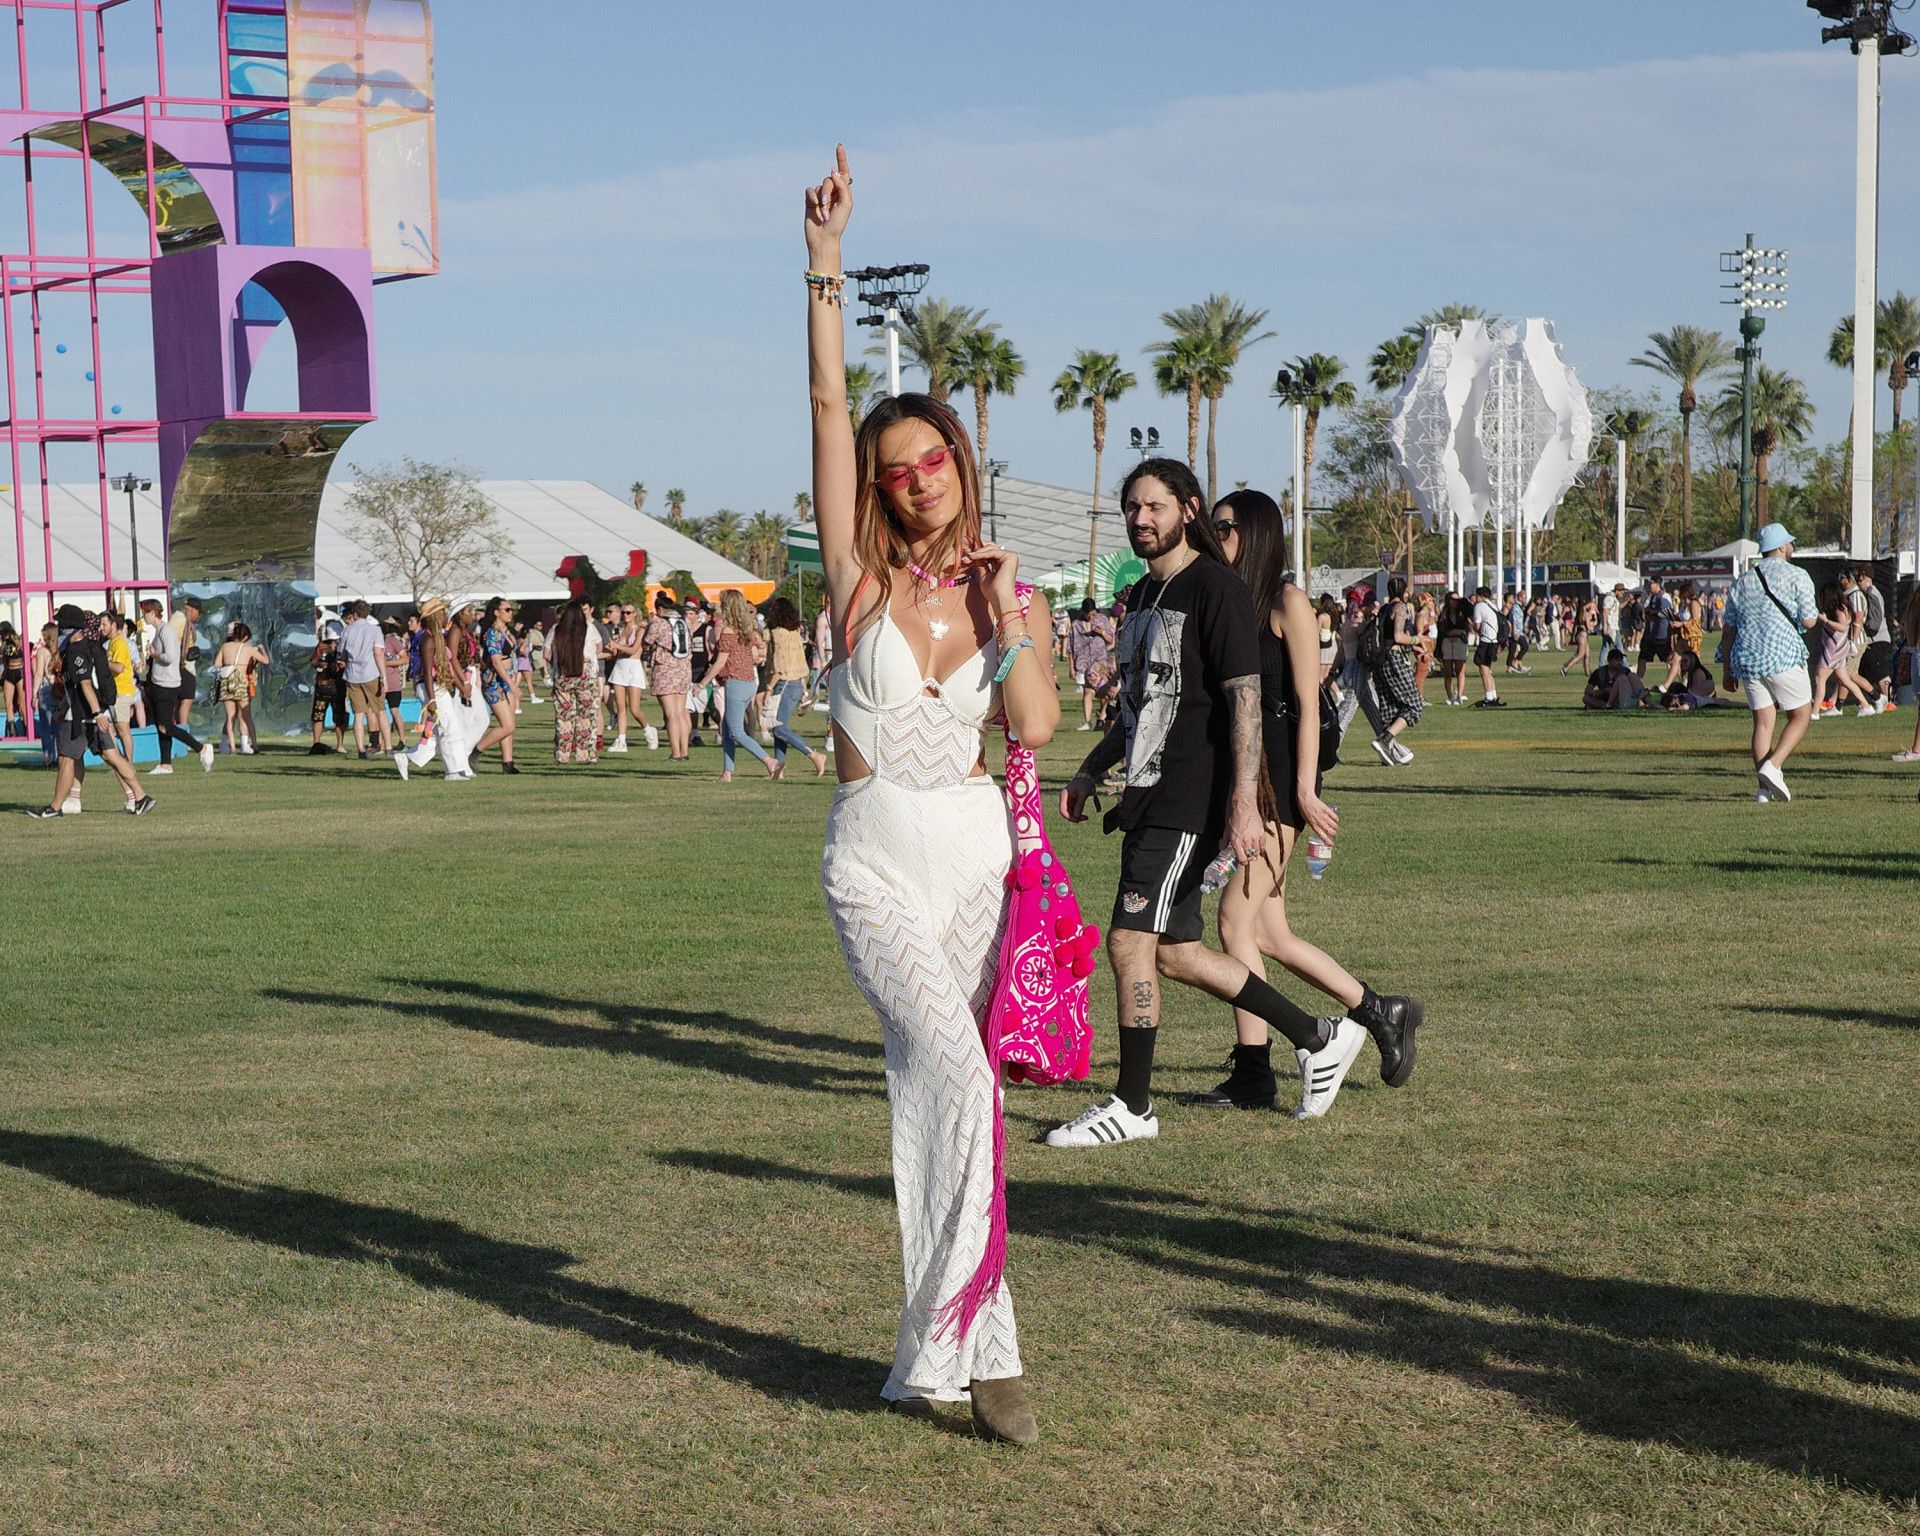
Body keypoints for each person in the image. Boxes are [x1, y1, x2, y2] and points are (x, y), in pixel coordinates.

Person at [807, 144, 1059, 1440]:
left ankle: (955, 1355)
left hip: (976, 853)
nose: (913, 480)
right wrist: (826, 270)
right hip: (873, 855)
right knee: (957, 1073)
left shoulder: (1007, 591)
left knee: (947, 1094)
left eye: (929, 462)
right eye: (892, 467)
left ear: (961, 463)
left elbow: (1036, 729)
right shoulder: (854, 580)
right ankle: (965, 1351)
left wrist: (1008, 615)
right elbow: (825, 393)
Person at [1046, 455, 1370, 1156]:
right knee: (1180, 953)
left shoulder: (1215, 588)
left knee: (1129, 942)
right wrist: (1089, 768)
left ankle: (1133, 1105)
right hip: (1146, 794)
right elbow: (1139, 706)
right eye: (1133, 507)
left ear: (1187, 509)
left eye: (1155, 506)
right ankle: (1322, 1037)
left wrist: (1247, 807)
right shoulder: (1140, 597)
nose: (1142, 518)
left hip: (1189, 799)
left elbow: (1245, 700)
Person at [1196, 491, 1422, 1116]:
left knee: (1233, 926)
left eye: (1226, 527)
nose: (1217, 536)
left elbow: (1309, 704)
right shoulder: (1226, 601)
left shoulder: (1287, 602)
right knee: (1271, 932)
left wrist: (1303, 788)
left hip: (1277, 787)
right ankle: (1380, 1010)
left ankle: (1254, 1071)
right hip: (1242, 783)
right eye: (1213, 527)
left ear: (1259, 531)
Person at [1721, 522, 1820, 803]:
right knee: (1801, 714)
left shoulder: (1742, 581)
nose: (1791, 546)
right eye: (1788, 542)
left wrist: (1727, 670)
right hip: (1782, 655)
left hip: (1747, 657)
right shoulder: (1797, 575)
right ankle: (1773, 766)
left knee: (1763, 724)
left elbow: (1729, 629)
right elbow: (1809, 620)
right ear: (1780, 547)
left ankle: (1763, 791)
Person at [26, 606, 153, 818]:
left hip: (81, 716)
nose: (59, 629)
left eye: (62, 625)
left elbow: (85, 684)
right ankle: (141, 797)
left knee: (67, 758)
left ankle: (54, 808)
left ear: (71, 627)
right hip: (91, 713)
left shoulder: (76, 651)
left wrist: (96, 714)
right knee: (112, 756)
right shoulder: (88, 647)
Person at [697, 589, 775, 782]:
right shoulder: (747, 630)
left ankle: (769, 761)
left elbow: (720, 662)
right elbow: (756, 655)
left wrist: (703, 682)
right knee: (727, 729)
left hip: (736, 683)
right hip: (748, 682)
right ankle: (727, 772)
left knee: (736, 732)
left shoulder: (728, 631)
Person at [138, 597, 215, 773]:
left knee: (166, 725)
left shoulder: (166, 630)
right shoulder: (160, 631)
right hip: (160, 681)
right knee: (161, 726)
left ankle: (201, 748)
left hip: (167, 683)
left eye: (145, 613)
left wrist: (155, 655)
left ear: (153, 612)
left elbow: (170, 657)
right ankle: (165, 763)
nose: (144, 617)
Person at [762, 596, 827, 777]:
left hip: (784, 683)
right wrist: (804, 689)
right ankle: (778, 768)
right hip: (796, 682)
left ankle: (814, 754)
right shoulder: (794, 633)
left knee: (778, 728)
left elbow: (779, 667)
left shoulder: (778, 634)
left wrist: (769, 689)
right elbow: (801, 664)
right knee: (778, 726)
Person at [1370, 573, 1424, 764]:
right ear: (1405, 592)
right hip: (1394, 659)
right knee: (1414, 705)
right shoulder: (1399, 607)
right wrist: (1418, 639)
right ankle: (1385, 740)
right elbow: (1399, 637)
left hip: (1379, 661)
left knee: (1389, 708)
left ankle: (1389, 754)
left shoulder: (1383, 609)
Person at [470, 597, 521, 773]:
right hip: (495, 681)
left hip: (508, 679)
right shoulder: (492, 633)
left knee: (509, 723)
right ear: (496, 612)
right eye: (507, 609)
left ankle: (508, 762)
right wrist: (513, 686)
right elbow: (496, 662)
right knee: (507, 725)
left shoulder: (507, 630)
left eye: (511, 609)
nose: (510, 613)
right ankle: (475, 751)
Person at [642, 590, 694, 760]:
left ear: (658, 609)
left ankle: (675, 752)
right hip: (684, 669)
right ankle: (684, 751)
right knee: (681, 713)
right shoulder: (684, 622)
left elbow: (646, 642)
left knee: (671, 714)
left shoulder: (659, 623)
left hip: (665, 668)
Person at [549, 599, 600, 765]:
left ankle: (562, 755)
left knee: (564, 718)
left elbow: (546, 653)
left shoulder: (556, 630)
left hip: (563, 674)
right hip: (585, 674)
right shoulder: (589, 628)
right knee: (586, 716)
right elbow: (599, 648)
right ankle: (586, 755)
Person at [338, 599, 389, 757]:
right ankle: (388, 747)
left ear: (354, 614)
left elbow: (342, 653)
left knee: (358, 714)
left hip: (353, 675)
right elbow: (378, 653)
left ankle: (361, 749)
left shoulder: (347, 631)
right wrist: (384, 677)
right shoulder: (374, 630)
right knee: (380, 711)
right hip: (371, 673)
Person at [606, 603, 659, 753]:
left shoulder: (641, 629)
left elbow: (634, 649)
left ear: (635, 613)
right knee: (621, 708)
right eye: (623, 613)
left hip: (633, 667)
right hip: (620, 667)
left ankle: (649, 730)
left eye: (629, 612)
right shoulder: (620, 630)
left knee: (635, 709)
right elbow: (614, 652)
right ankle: (621, 740)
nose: (625, 615)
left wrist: (616, 645)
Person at [212, 623, 269, 753]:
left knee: (230, 716)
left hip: (227, 682)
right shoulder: (248, 648)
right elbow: (266, 661)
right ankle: (254, 745)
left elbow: (216, 664)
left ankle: (232, 747)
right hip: (241, 683)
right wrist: (261, 649)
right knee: (246, 715)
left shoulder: (225, 646)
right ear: (245, 636)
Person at [1067, 597, 1115, 731]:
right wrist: (1071, 667)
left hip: (1099, 662)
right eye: (1088, 614)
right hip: (1083, 663)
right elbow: (1070, 647)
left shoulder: (1102, 620)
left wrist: (1103, 633)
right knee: (1087, 692)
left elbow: (1111, 640)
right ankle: (1087, 721)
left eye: (1093, 614)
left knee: (1103, 692)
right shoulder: (1076, 625)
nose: (1091, 617)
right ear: (1083, 612)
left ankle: (1102, 718)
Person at [100, 610, 139, 762]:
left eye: (104, 624)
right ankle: (120, 761)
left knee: (123, 729)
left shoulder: (120, 643)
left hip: (122, 691)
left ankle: (129, 763)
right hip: (114, 692)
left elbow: (119, 667)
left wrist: (101, 662)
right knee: (111, 728)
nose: (101, 628)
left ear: (114, 625)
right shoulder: (111, 643)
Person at [308, 624, 349, 754]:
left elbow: (313, 662)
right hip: (329, 686)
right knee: (324, 716)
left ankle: (323, 743)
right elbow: (313, 662)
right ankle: (320, 743)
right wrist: (321, 664)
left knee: (331, 716)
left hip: (330, 686)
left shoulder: (326, 646)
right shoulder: (331, 647)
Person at [1470, 586, 1505, 706]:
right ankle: (1493, 694)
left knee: (1483, 669)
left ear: (1480, 596)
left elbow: (1477, 626)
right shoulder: (1493, 605)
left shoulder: (1479, 606)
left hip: (1486, 640)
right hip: (1495, 641)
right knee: (1487, 668)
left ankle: (1488, 696)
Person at [1639, 577, 1676, 685]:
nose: (1650, 585)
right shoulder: (1652, 597)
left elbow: (1668, 613)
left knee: (1668, 660)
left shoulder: (1665, 597)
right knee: (1642, 658)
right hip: (1650, 635)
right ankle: (1638, 681)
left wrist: (1653, 613)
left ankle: (1681, 681)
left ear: (1658, 584)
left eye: (1652, 583)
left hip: (1661, 635)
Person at [1438, 592, 1471, 704]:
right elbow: (1441, 629)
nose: (1455, 602)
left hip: (1459, 642)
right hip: (1447, 642)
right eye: (1453, 599)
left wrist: (1460, 631)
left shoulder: (1463, 613)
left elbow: (1469, 625)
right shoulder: (1444, 613)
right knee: (1448, 672)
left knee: (1460, 671)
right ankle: (1450, 696)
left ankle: (1459, 695)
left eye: (1457, 600)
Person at [0, 619, 23, 736]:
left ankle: (26, 727)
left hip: (19, 672)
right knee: (9, 703)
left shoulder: (17, 642)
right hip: (9, 673)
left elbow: (12, 653)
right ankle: (11, 729)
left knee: (22, 702)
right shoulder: (4, 644)